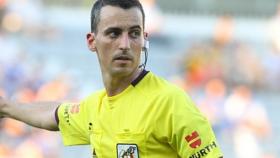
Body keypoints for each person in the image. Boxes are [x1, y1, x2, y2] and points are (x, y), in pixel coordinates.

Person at [0, 0, 223, 157]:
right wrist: (7, 107)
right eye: (114, 33)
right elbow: (52, 115)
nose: (125, 44)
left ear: (144, 39)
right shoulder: (94, 107)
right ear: (91, 41)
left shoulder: (170, 102)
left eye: (134, 33)